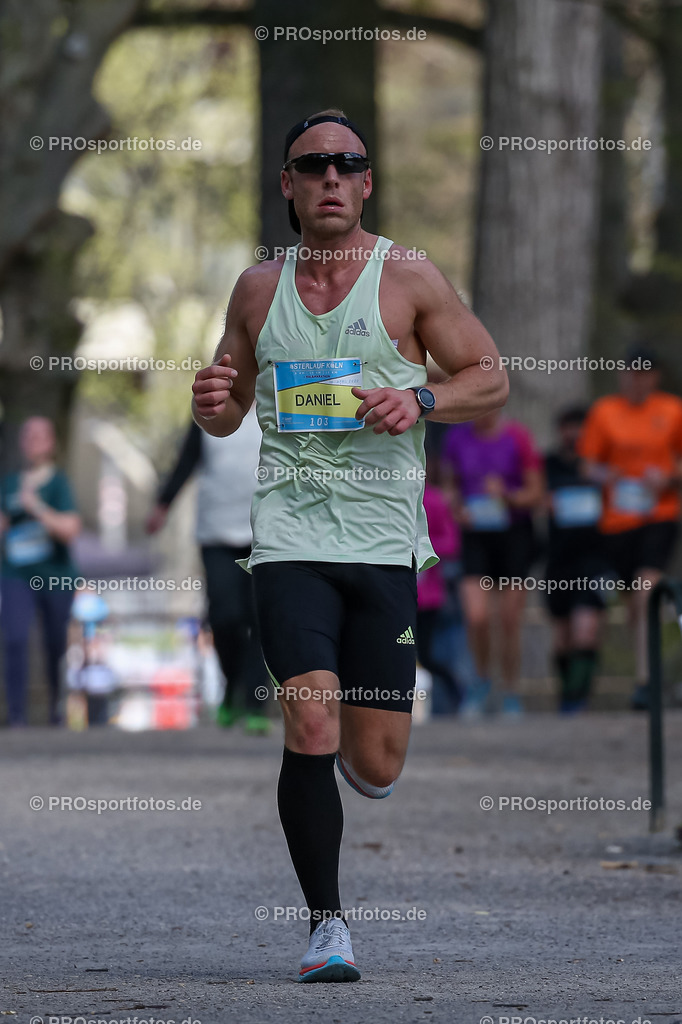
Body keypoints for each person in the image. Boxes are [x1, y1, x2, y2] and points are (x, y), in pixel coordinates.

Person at [191, 109, 508, 982]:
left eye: (347, 164)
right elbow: (226, 411)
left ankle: (364, 770)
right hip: (289, 537)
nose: (331, 177)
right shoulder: (257, 288)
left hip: (381, 545)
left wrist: (423, 401)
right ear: (287, 186)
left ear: (366, 183)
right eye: (312, 165)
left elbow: (489, 378)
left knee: (373, 761)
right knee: (311, 717)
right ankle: (326, 926)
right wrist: (210, 401)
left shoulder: (407, 277)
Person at [147, 406, 271, 735]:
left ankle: (257, 703)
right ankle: (233, 685)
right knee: (226, 617)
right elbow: (187, 460)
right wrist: (163, 504)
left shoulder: (278, 402)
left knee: (262, 620)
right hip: (216, 532)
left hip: (269, 532)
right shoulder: (211, 409)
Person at [578, 346, 682, 710]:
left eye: (643, 373)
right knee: (635, 605)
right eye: (630, 372)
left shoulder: (672, 411)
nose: (635, 380)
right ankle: (649, 674)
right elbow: (587, 466)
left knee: (646, 591)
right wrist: (610, 474)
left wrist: (668, 477)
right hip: (617, 522)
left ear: (655, 377)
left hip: (659, 516)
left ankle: (646, 682)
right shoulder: (605, 411)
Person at [441, 410, 543, 717]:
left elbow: (536, 494)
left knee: (510, 620)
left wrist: (508, 496)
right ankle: (481, 681)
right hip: (475, 535)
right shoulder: (456, 438)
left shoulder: (518, 436)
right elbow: (448, 487)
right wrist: (457, 508)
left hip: (513, 535)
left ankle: (510, 691)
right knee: (476, 616)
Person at [0, 417, 81, 726]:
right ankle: (17, 715)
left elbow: (70, 529)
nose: (33, 440)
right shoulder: (8, 483)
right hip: (15, 573)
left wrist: (36, 507)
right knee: (16, 636)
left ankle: (56, 709)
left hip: (56, 575)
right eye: (27, 435)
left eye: (40, 435)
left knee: (55, 641)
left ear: (51, 443)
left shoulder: (59, 484)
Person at [544, 407, 606, 713]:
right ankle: (567, 697)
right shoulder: (548, 465)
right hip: (558, 558)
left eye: (582, 428)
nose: (576, 434)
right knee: (563, 637)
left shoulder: (602, 465)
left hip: (596, 558)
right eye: (570, 427)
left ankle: (578, 699)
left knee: (586, 630)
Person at [416, 456, 463, 713]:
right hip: (389, 593)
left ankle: (455, 692)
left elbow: (452, 543)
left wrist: (420, 546)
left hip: (427, 598)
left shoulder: (432, 500)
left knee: (424, 654)